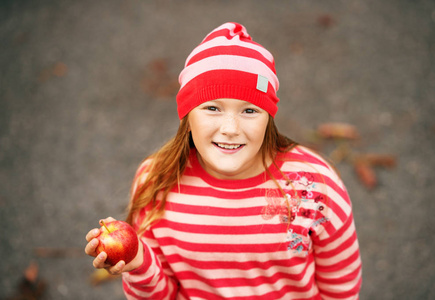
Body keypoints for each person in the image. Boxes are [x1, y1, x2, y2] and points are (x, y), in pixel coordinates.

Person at [85, 22, 362, 300]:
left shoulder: (314, 184)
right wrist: (139, 264)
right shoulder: (157, 182)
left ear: (269, 117)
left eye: (250, 110)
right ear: (187, 115)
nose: (230, 128)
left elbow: (341, 286)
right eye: (212, 107)